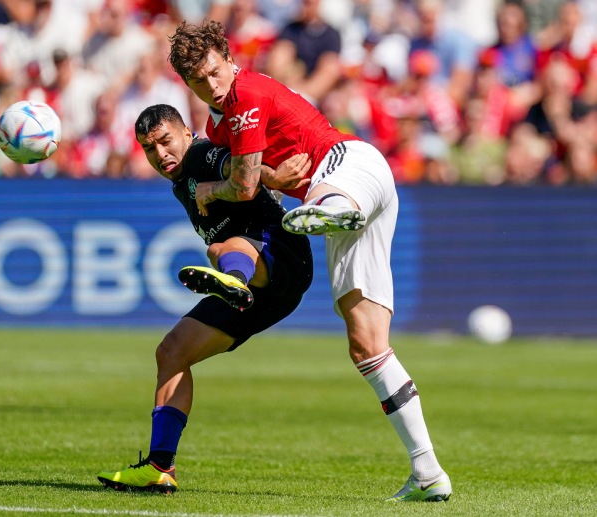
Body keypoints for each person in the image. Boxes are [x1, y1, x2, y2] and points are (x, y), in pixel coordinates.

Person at [167, 19, 452, 502]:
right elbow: (258, 179)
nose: (211, 85)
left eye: (215, 71)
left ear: (229, 58)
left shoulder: (245, 93)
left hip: (349, 166)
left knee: (321, 192)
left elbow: (244, 186)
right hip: (358, 192)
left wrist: (208, 190)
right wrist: (263, 180)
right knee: (367, 346)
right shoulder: (220, 123)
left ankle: (327, 209)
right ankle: (427, 472)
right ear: (187, 84)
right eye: (199, 81)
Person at [96, 103, 313, 493]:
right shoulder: (181, 181)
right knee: (172, 352)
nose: (160, 154)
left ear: (184, 132)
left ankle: (232, 280)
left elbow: (237, 166)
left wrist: (273, 177)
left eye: (165, 141)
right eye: (149, 148)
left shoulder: (198, 153)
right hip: (264, 293)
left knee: (219, 249)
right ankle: (160, 467)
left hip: (283, 255)